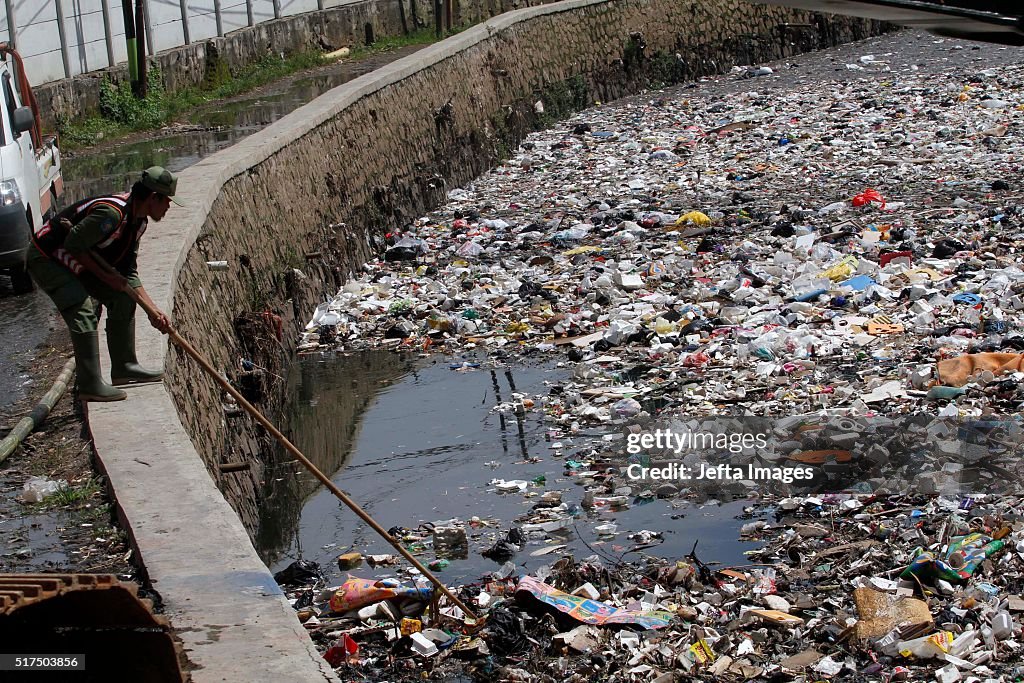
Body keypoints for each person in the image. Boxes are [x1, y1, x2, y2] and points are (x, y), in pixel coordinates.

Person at [27, 166, 178, 402]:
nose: (169, 208)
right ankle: (89, 385)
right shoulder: (111, 214)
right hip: (48, 258)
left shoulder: (138, 224)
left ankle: (124, 366)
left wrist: (154, 311)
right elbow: (73, 245)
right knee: (82, 309)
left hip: (78, 260)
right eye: (167, 201)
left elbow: (128, 271)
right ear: (152, 198)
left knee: (123, 298)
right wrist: (108, 278)